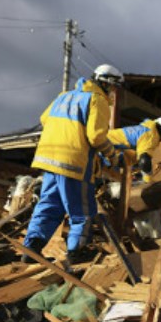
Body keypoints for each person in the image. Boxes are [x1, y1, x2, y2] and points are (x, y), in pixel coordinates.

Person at [22, 64, 124, 264]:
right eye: (113, 88)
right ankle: (76, 252)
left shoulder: (64, 96)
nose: (113, 93)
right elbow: (96, 137)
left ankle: (31, 249)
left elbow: (45, 119)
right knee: (82, 211)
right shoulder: (97, 100)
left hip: (50, 160)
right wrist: (112, 155)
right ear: (106, 84)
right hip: (74, 162)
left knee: (49, 206)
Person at [105, 116, 161, 182]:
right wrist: (148, 180)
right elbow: (144, 161)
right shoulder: (151, 137)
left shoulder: (147, 128)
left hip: (108, 143)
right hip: (105, 149)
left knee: (134, 156)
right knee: (117, 177)